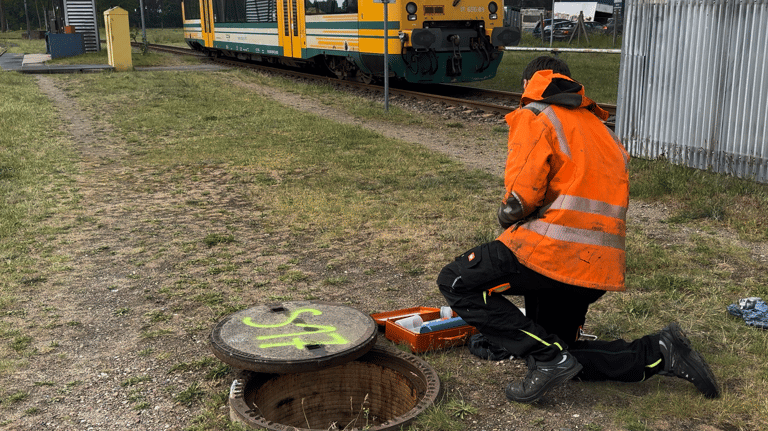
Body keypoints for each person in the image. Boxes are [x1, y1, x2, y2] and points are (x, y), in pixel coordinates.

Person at [437, 56, 720, 404]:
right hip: (594, 266)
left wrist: (506, 218)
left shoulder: (536, 114)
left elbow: (520, 200)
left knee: (456, 280)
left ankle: (545, 357)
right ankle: (658, 352)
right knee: (566, 355)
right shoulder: (603, 130)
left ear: (529, 84)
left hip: (551, 252)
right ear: (570, 84)